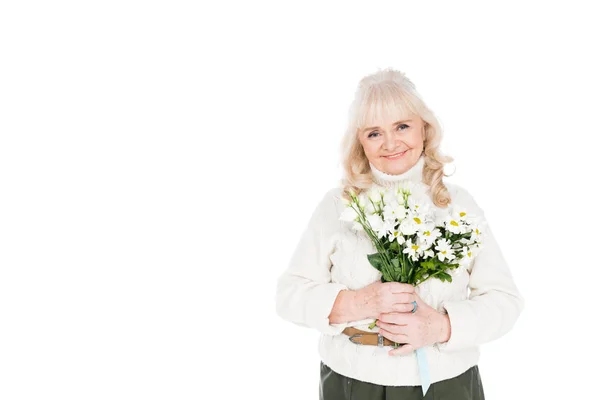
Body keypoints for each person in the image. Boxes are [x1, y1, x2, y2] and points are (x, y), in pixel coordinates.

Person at [275, 68, 524, 400]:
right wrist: (358, 302)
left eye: (402, 126)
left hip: (446, 385)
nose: (391, 143)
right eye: (374, 133)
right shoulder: (339, 205)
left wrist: (442, 326)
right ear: (360, 141)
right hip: (352, 383)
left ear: (424, 127)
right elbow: (289, 295)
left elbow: (505, 301)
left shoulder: (456, 205)